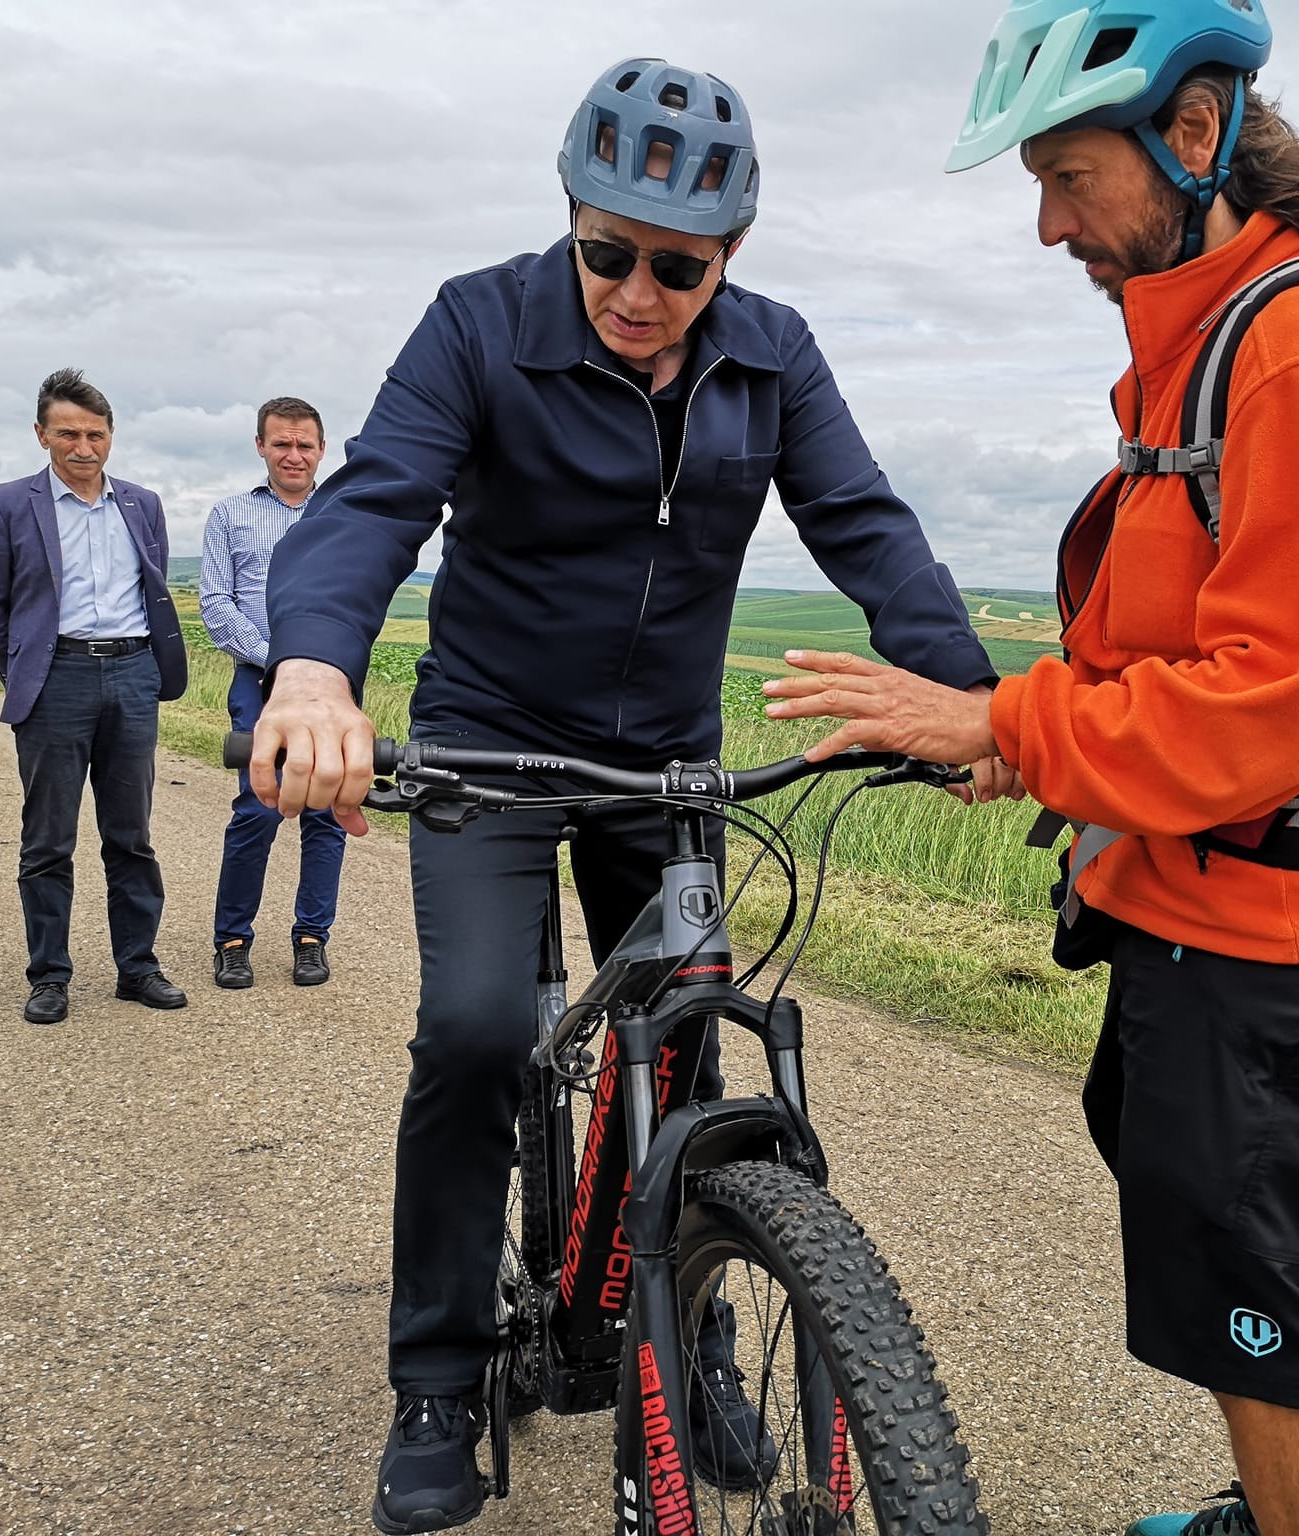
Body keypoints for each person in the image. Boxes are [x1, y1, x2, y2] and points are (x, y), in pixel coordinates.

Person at [246, 58, 997, 1534]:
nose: (638, 291)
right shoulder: (478, 323)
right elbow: (376, 501)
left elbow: (869, 529)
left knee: (688, 1039)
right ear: (571, 220)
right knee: (471, 1037)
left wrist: (971, 699)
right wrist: (315, 674)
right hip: (491, 741)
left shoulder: (773, 358)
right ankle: (441, 1378)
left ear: (731, 259)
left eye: (679, 266)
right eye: (608, 251)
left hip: (662, 755)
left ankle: (693, 1323)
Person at [766, 5, 1299, 1534]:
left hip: (1270, 947)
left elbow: (1279, 709)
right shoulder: (1212, 338)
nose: (1046, 224)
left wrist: (1005, 725)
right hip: (1192, 910)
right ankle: (1265, 1508)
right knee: (1230, 1290)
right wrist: (1020, 737)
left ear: (1193, 139)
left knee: (1266, 1328)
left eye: (1072, 178)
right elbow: (1174, 647)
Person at [0, 369, 191, 1026]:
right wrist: (27, 672)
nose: (83, 446)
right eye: (68, 433)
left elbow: (153, 591)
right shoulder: (5, 503)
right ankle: (50, 976)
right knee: (47, 842)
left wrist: (148, 670)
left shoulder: (142, 504)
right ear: (42, 434)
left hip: (132, 674)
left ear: (110, 436)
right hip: (55, 678)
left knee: (132, 836)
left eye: (95, 433)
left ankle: (138, 967)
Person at [199, 398, 345, 990]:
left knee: (327, 811)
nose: (293, 455)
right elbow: (215, 603)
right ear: (260, 446)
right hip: (256, 680)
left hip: (334, 683)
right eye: (281, 443)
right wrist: (284, 661)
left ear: (321, 449)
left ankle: (312, 937)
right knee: (258, 808)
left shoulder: (343, 515)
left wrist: (320, 663)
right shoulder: (231, 514)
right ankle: (232, 940)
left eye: (304, 445)